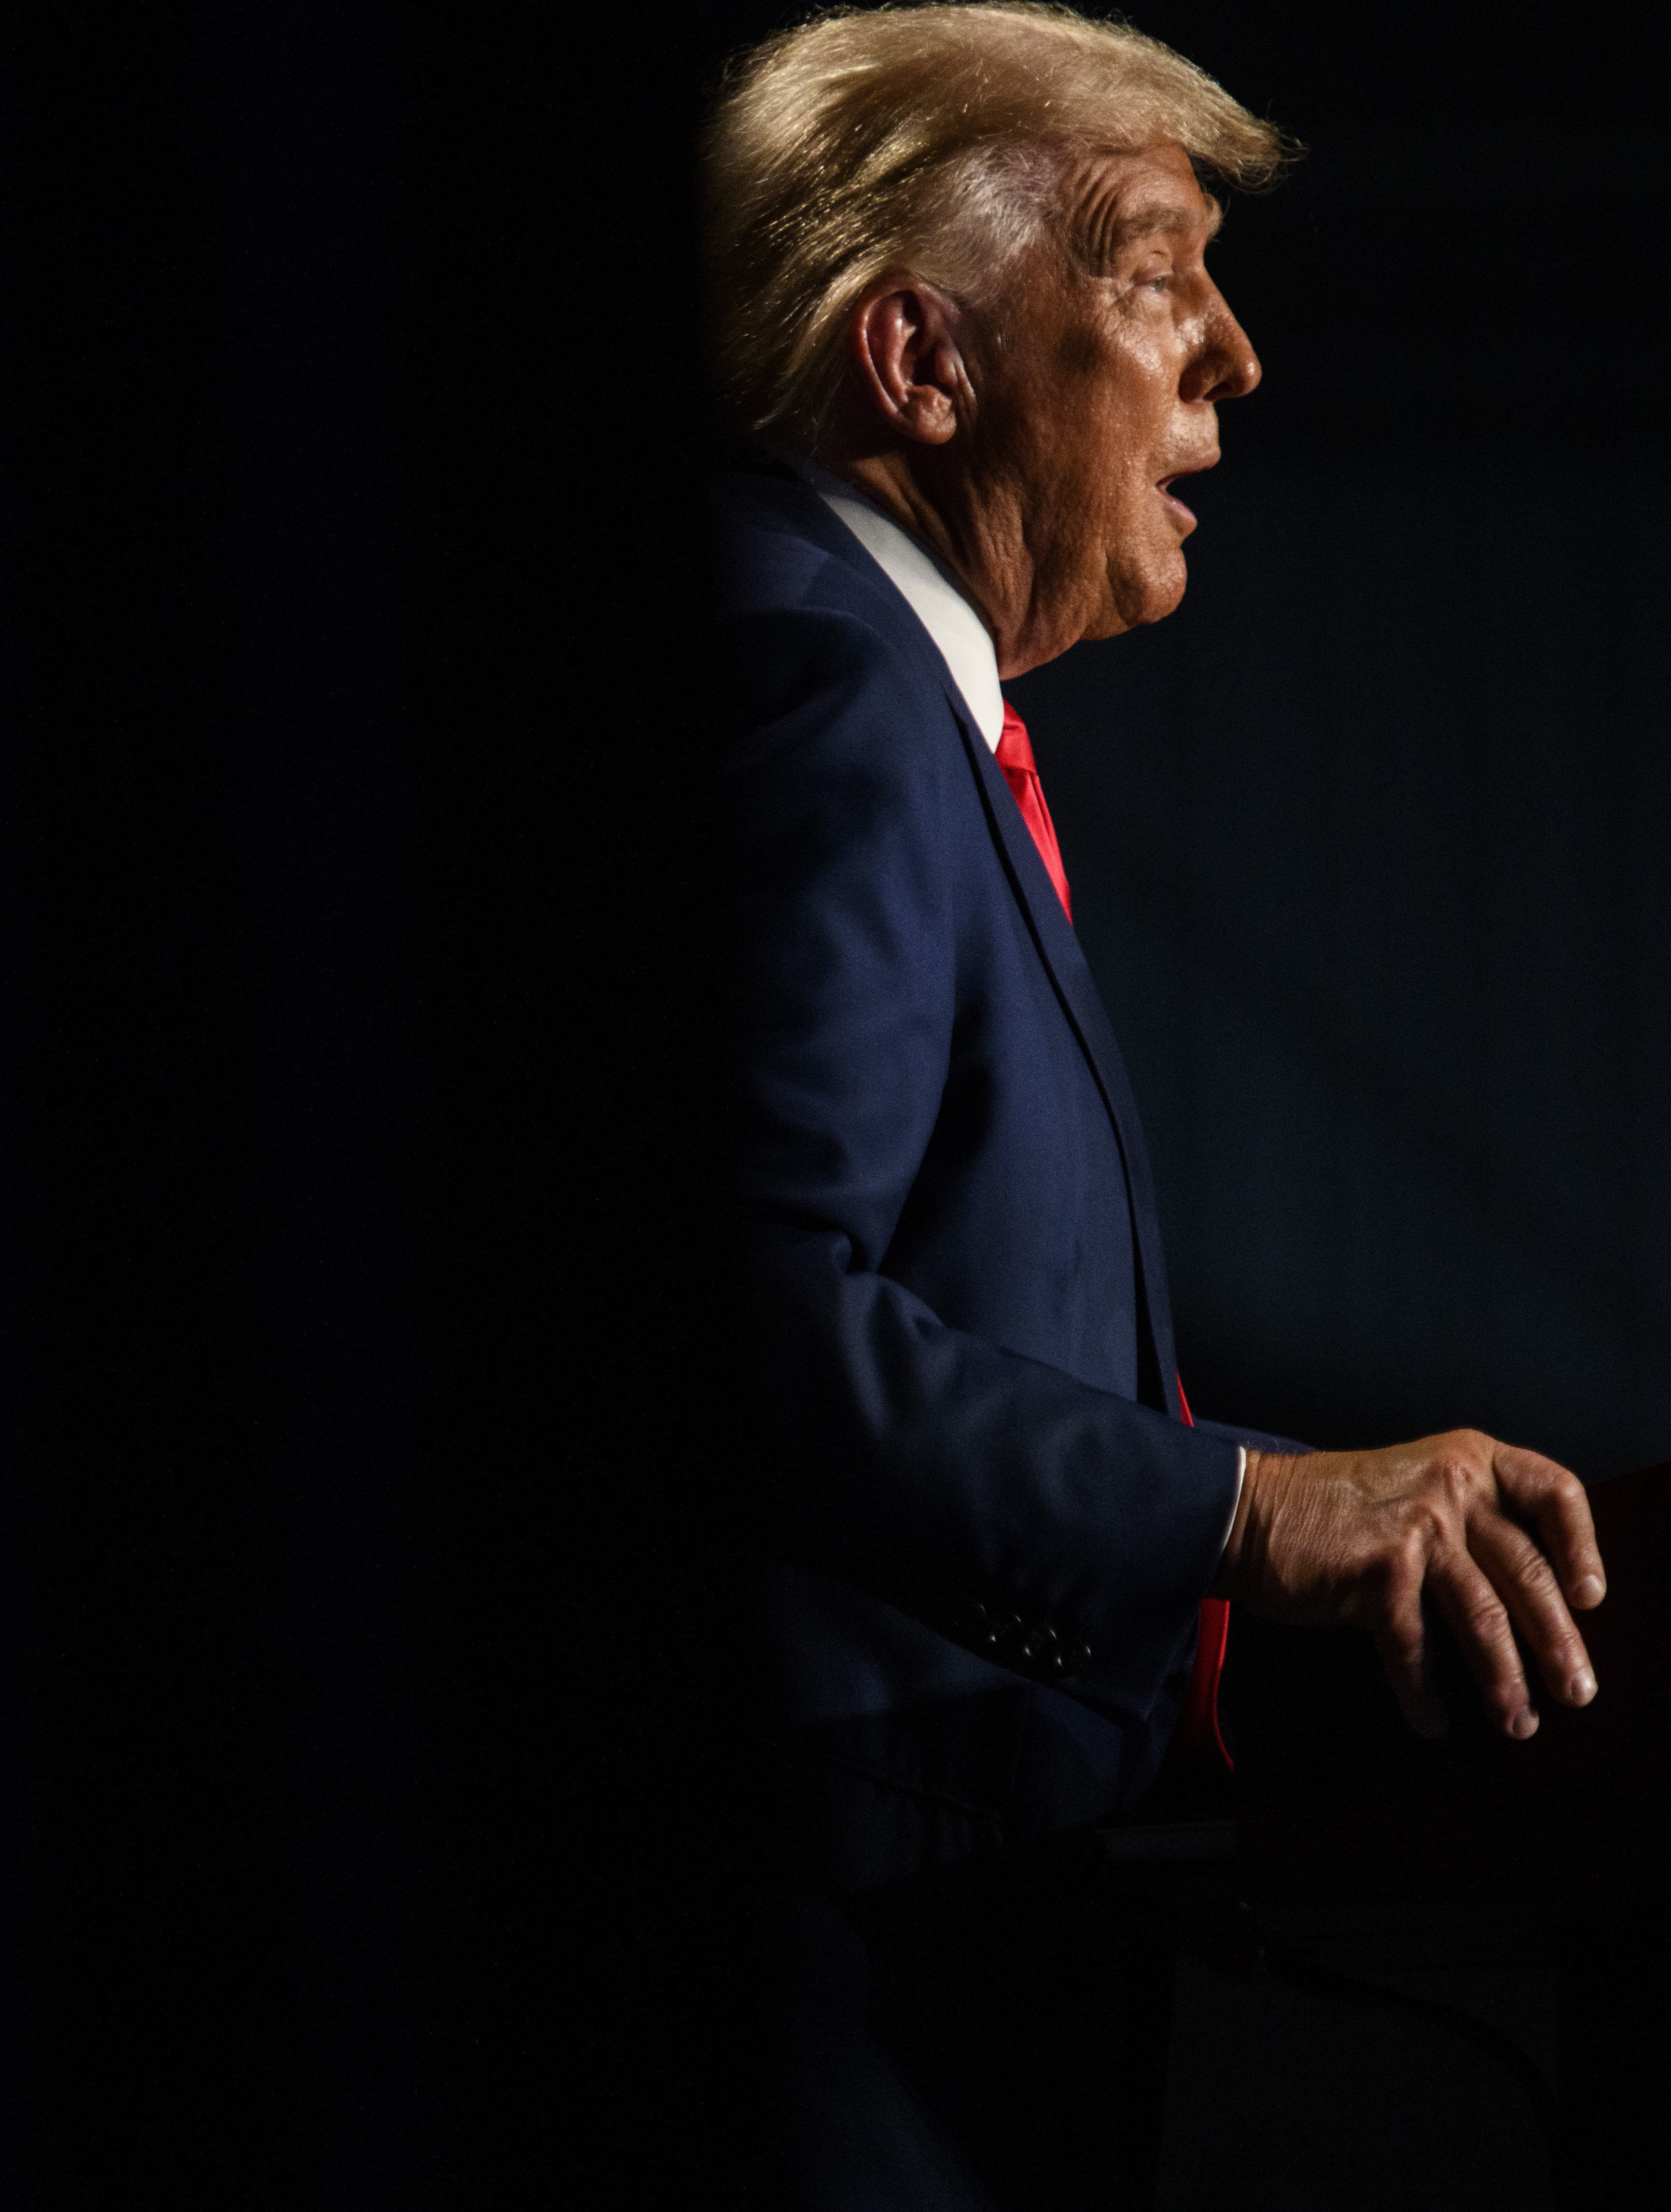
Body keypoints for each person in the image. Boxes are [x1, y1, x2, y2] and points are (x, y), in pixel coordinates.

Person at [702, 7, 1611, 2202]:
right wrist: (1244, 1517)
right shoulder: (822, 684)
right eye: (1147, 266)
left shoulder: (881, 690)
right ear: (918, 363)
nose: (1232, 354)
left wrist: (1278, 1557)